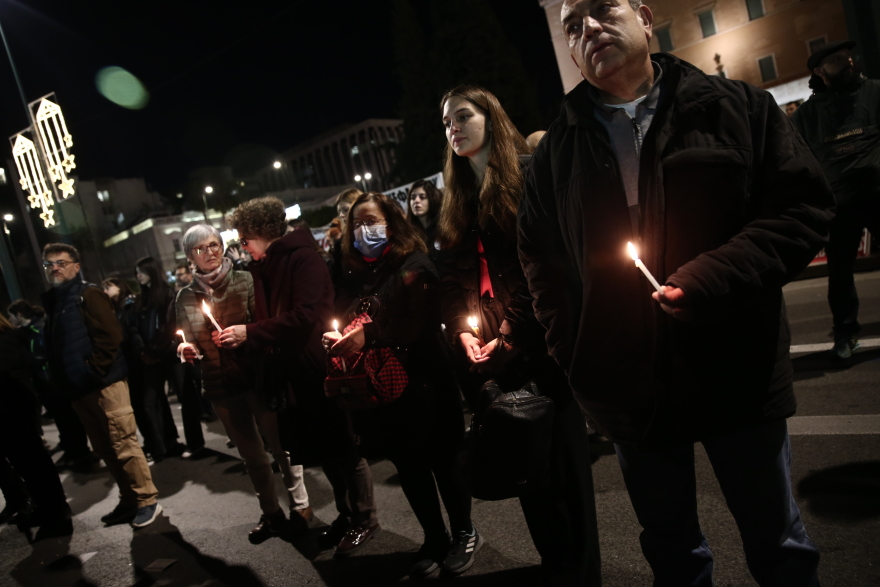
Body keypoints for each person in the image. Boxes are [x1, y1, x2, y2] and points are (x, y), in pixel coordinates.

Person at [517, 1, 834, 585]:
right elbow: (542, 265)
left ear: (643, 14)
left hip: (736, 369)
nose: (587, 29)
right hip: (629, 388)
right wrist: (576, 357)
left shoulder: (737, 108)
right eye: (570, 25)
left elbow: (801, 211)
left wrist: (709, 279)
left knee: (779, 544)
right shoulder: (553, 156)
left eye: (600, 9)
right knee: (673, 553)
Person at [438, 84, 601, 585]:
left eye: (463, 116)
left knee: (564, 476)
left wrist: (509, 338)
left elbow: (549, 269)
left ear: (492, 118)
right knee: (526, 468)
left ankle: (582, 574)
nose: (453, 128)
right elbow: (452, 278)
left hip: (540, 349)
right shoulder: (458, 196)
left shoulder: (529, 176)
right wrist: (465, 333)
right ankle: (558, 569)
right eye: (446, 123)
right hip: (489, 353)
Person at [324, 192, 477, 577]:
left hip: (425, 381)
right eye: (357, 224)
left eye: (371, 221)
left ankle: (464, 532)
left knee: (444, 462)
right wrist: (341, 334)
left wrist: (367, 335)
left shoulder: (415, 264)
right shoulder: (354, 273)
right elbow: (343, 313)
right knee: (409, 467)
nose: (364, 230)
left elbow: (416, 323)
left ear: (391, 222)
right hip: (384, 393)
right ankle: (434, 537)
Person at [224, 197, 377, 553]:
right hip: (295, 369)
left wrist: (251, 331)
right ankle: (345, 514)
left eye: (245, 239)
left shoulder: (301, 257)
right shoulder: (272, 263)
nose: (244, 248)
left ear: (261, 232)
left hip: (316, 363)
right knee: (323, 449)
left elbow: (306, 314)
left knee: (343, 446)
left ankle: (365, 518)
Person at [175, 224, 300, 541]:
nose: (210, 252)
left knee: (281, 447)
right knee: (253, 457)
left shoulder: (246, 280)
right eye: (200, 248)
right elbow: (186, 338)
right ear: (190, 256)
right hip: (220, 386)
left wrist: (245, 335)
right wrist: (185, 348)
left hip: (256, 377)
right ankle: (272, 513)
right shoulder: (186, 297)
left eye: (214, 244)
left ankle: (301, 507)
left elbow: (264, 324)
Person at [41, 243, 161, 528]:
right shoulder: (56, 302)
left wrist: (93, 371)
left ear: (76, 266)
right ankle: (129, 499)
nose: (55, 268)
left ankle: (147, 500)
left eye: (61, 262)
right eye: (49, 264)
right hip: (79, 390)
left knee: (123, 443)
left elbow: (110, 336)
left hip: (104, 384)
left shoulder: (88, 294)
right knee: (105, 448)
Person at [790, 40, 880, 360]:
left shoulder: (874, 93)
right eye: (839, 60)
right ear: (820, 71)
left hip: (877, 196)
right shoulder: (808, 115)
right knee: (840, 273)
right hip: (840, 206)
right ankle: (845, 334)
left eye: (849, 57)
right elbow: (793, 158)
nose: (849, 62)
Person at [0, 313, 72, 538]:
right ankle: (46, 509)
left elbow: (12, 377)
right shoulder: (9, 339)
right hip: (13, 409)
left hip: (14, 410)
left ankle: (57, 514)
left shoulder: (5, 341)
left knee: (35, 465)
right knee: (28, 466)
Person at [8, 299, 91, 467]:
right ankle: (73, 450)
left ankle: (79, 455)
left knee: (67, 419)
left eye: (10, 316)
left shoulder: (35, 330)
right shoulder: (32, 329)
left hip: (52, 384)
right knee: (65, 419)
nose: (9, 320)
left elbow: (42, 358)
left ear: (19, 314)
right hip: (50, 384)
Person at [129, 257, 183, 462]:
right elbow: (134, 327)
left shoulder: (168, 294)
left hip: (167, 353)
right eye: (136, 272)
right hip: (150, 356)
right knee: (151, 401)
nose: (138, 276)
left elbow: (168, 327)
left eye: (141, 271)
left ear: (151, 271)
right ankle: (162, 445)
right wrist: (143, 350)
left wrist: (152, 351)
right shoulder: (140, 299)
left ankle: (175, 442)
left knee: (183, 397)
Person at [405, 180, 443, 261]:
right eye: (412, 198)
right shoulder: (409, 235)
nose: (416, 201)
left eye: (422, 197)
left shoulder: (445, 228)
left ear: (432, 199)